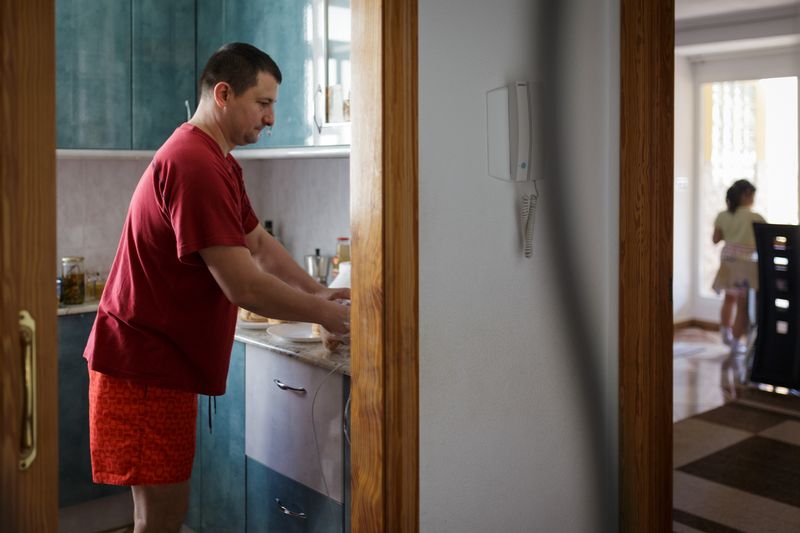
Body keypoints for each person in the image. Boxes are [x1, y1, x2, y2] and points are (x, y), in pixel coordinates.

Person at [83, 42, 350, 532]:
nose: (271, 119)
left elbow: (258, 243)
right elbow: (244, 285)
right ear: (224, 94)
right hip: (143, 368)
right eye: (263, 103)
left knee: (161, 515)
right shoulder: (195, 164)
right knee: (158, 520)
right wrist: (326, 315)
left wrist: (319, 292)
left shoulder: (217, 159)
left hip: (156, 366)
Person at [711, 179, 765, 354]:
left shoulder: (723, 215)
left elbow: (715, 239)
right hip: (746, 264)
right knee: (742, 305)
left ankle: (725, 333)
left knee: (729, 299)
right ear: (745, 196)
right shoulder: (755, 217)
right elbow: (767, 240)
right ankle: (735, 341)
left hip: (727, 262)